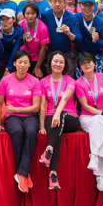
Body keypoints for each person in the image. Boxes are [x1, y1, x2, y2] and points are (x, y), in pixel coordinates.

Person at [0, 50, 42, 193]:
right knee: (17, 132)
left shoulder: (35, 81)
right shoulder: (5, 80)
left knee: (31, 131)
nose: (22, 65)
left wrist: (16, 109)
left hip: (29, 115)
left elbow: (36, 107)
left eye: (25, 62)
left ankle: (21, 173)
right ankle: (24, 173)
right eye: (19, 62)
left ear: (29, 65)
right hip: (12, 117)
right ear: (14, 63)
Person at [36, 50, 79, 190]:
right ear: (50, 63)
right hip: (51, 117)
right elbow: (43, 106)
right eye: (55, 61)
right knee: (56, 132)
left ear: (65, 65)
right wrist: (42, 126)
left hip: (70, 117)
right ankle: (53, 173)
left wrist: (58, 113)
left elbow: (65, 98)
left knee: (59, 118)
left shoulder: (70, 80)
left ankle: (48, 150)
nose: (58, 64)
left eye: (61, 62)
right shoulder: (43, 82)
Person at [75, 52, 103, 191]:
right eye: (83, 63)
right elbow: (85, 106)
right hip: (87, 117)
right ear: (80, 67)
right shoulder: (78, 83)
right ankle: (100, 176)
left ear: (94, 63)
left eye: (89, 62)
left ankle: (95, 157)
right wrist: (102, 113)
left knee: (98, 122)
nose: (86, 65)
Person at [38, 0, 82, 77]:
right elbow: (37, 27)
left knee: (68, 79)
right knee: (52, 79)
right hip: (51, 53)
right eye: (54, 1)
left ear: (65, 2)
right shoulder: (45, 15)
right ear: (50, 2)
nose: (57, 4)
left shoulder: (72, 17)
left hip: (68, 53)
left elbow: (79, 40)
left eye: (60, 1)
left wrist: (69, 34)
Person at [76, 0, 103, 74]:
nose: (87, 8)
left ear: (94, 6)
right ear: (80, 5)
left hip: (97, 55)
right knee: (81, 80)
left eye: (90, 5)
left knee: (99, 79)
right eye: (84, 5)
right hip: (81, 55)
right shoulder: (76, 18)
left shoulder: (101, 22)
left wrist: (97, 41)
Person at [0, 8, 25, 85]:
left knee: (13, 83)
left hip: (14, 59)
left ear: (14, 19)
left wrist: (8, 68)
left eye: (7, 19)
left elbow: (15, 49)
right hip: (1, 59)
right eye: (2, 19)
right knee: (0, 83)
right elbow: (0, 52)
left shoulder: (19, 31)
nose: (5, 22)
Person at [17, 2, 49, 77]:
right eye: (27, 13)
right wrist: (23, 40)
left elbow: (43, 49)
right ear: (24, 14)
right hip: (24, 57)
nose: (30, 16)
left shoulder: (43, 28)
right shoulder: (20, 25)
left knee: (38, 78)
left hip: (38, 58)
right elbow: (18, 44)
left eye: (33, 13)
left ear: (37, 14)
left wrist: (37, 67)